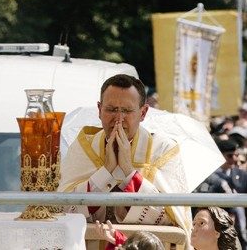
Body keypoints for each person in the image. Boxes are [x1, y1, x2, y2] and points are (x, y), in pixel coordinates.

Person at [58, 74, 191, 237]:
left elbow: (172, 219)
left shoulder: (163, 150)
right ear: (99, 110)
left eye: (127, 111)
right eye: (111, 109)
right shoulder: (84, 147)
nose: (118, 119)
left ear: (143, 113)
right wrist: (106, 171)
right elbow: (61, 210)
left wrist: (129, 172)